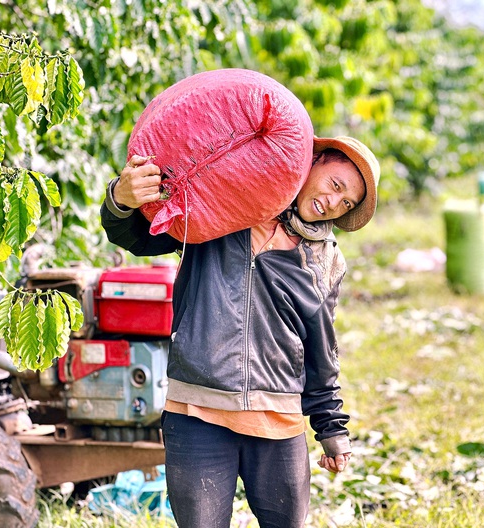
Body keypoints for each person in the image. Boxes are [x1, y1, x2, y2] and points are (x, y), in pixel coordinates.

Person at [100, 135, 380, 528]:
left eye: (346, 202)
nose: (334, 203)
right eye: (335, 185)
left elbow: (321, 350)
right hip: (197, 413)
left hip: (277, 420)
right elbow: (135, 236)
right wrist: (122, 197)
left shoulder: (326, 259)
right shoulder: (223, 208)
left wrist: (331, 427)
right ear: (312, 162)